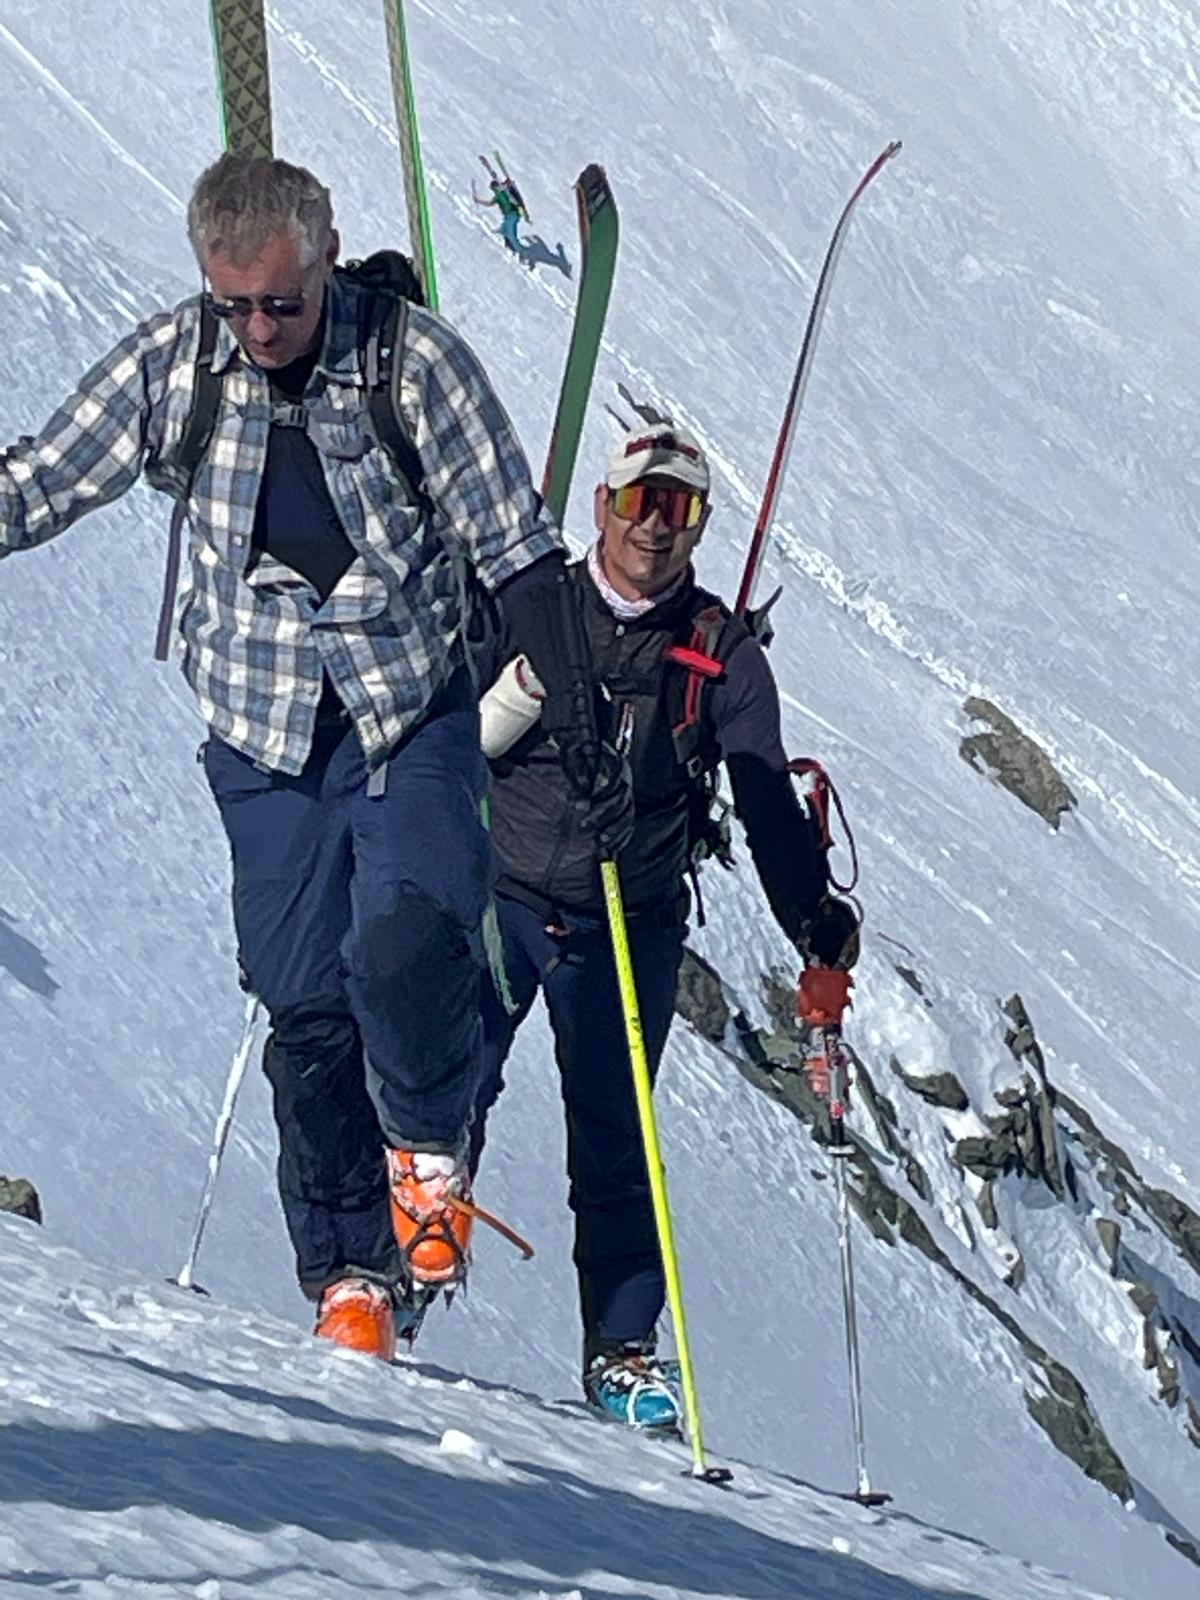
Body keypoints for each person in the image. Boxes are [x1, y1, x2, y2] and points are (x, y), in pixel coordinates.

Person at [0, 152, 625, 1363]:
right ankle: (349, 1271)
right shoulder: (177, 366)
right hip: (263, 734)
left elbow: (517, 548)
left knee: (407, 936)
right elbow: (48, 477)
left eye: (280, 303)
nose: (258, 329)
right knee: (305, 1006)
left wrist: (580, 717)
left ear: (328, 260)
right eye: (233, 303)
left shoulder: (413, 365)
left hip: (406, 712)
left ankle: (428, 1152)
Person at [471, 421, 860, 1429]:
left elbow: (764, 798)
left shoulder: (719, 656)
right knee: (444, 1082)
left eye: (678, 508)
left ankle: (623, 1350)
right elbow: (449, 724)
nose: (655, 525)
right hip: (500, 893)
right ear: (603, 506)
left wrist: (813, 919)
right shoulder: (532, 605)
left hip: (627, 918)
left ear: (700, 526)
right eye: (640, 501)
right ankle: (399, 1264)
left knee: (616, 1136)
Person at [474, 177, 526, 256]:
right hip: (515, 214)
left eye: (492, 189)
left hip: (510, 215)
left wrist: (478, 201)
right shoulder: (504, 191)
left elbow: (489, 204)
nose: (493, 190)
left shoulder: (499, 195)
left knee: (509, 233)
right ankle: (510, 245)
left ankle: (521, 252)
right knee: (504, 230)